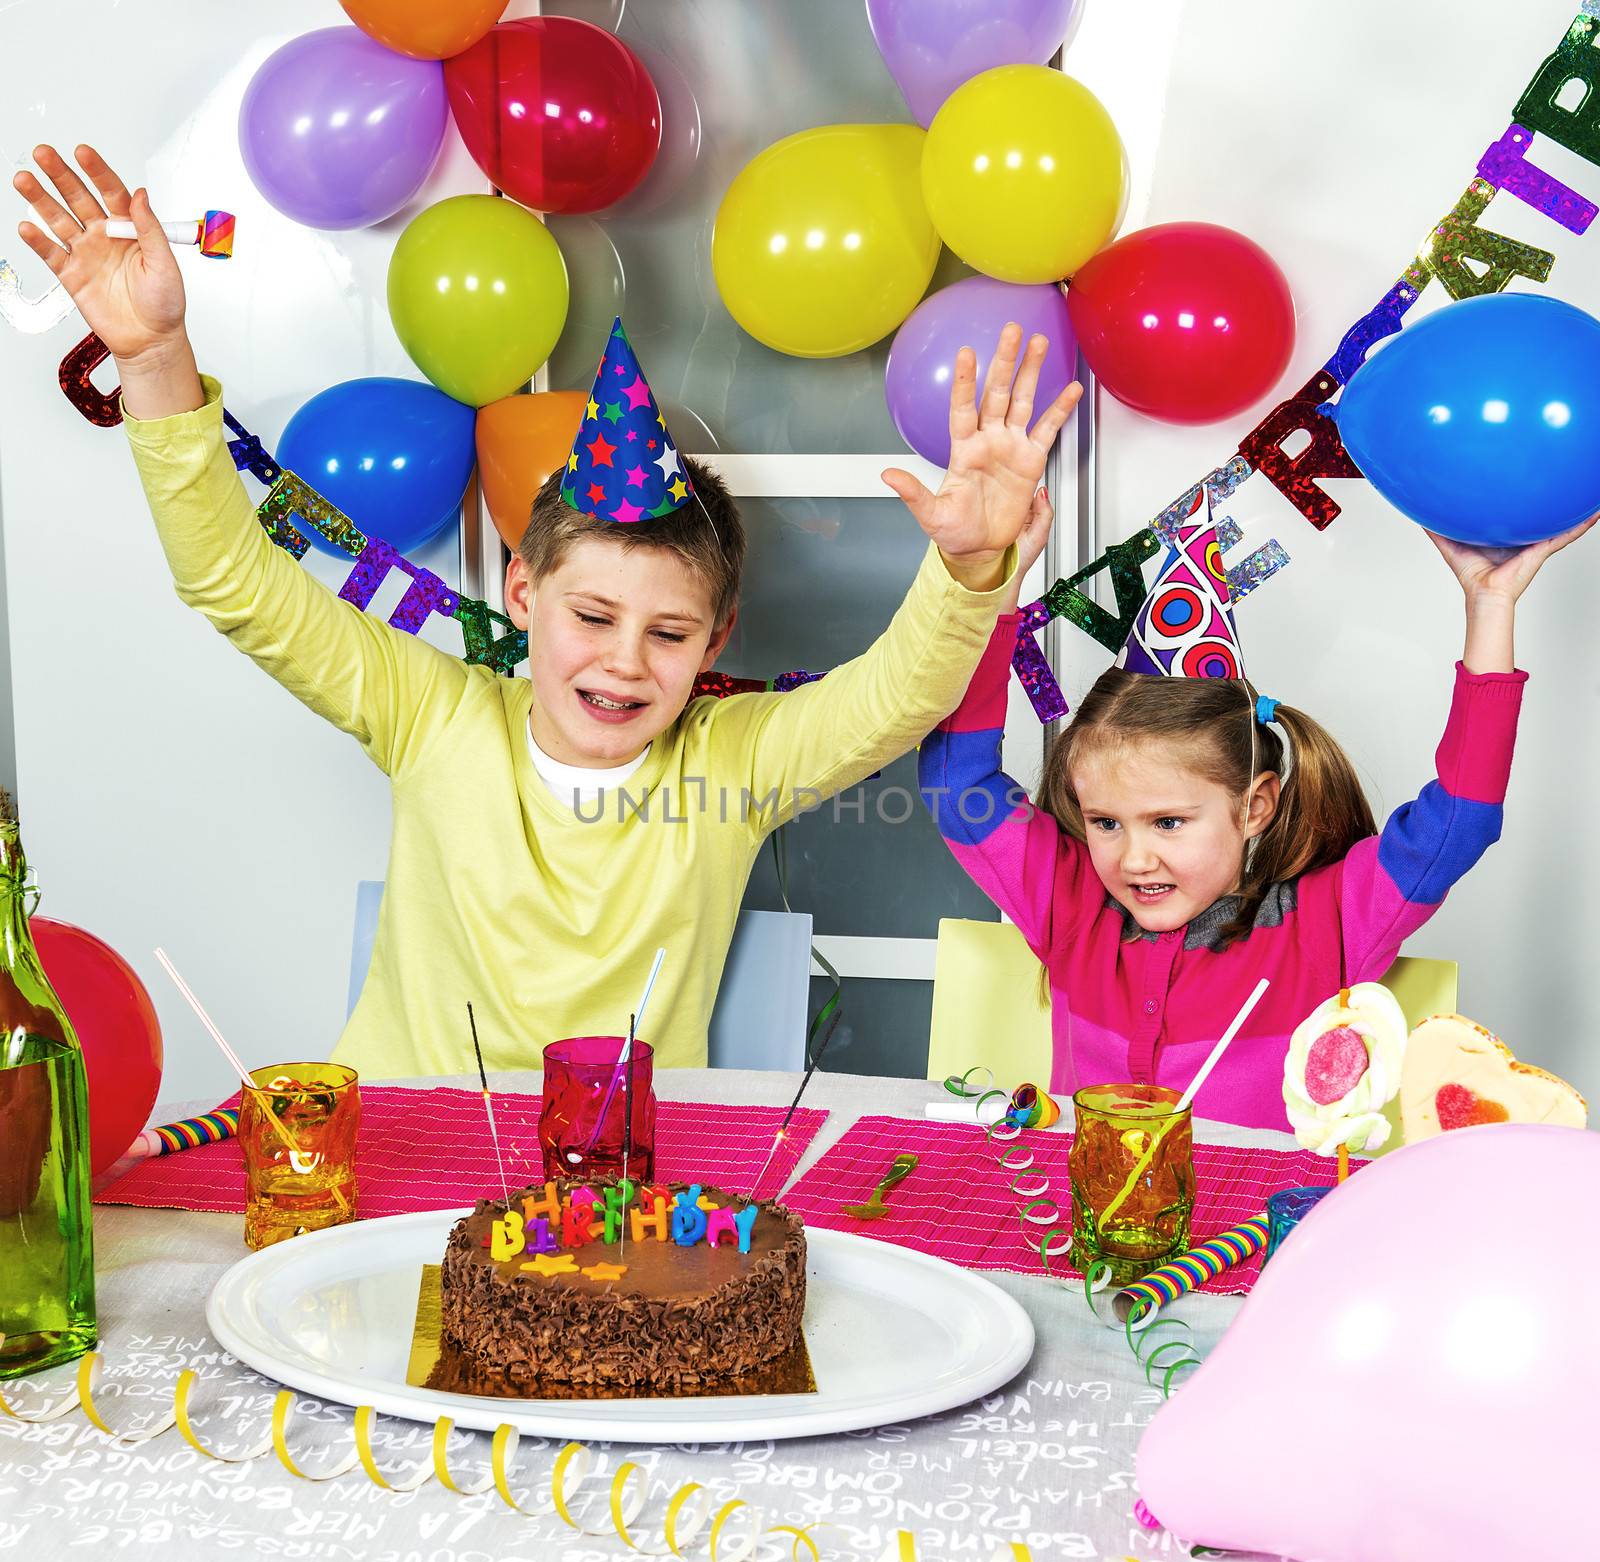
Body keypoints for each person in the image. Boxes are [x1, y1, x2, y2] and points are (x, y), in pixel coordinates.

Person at [14, 143, 1079, 1075]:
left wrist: (970, 568)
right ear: (523, 592)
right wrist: (153, 359)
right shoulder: (431, 714)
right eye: (594, 615)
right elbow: (233, 584)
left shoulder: (734, 762)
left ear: (717, 638)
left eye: (669, 634)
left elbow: (897, 698)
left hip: (628, 1190)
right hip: (403, 1163)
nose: (624, 663)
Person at [919, 485, 1592, 1131]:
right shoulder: (1070, 905)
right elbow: (959, 785)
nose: (1133, 857)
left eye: (1169, 822)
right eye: (1105, 823)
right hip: (1099, 1232)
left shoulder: (1325, 927)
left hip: (1257, 1245)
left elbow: (1459, 821)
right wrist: (990, 586)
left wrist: (1491, 607)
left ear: (1256, 806)